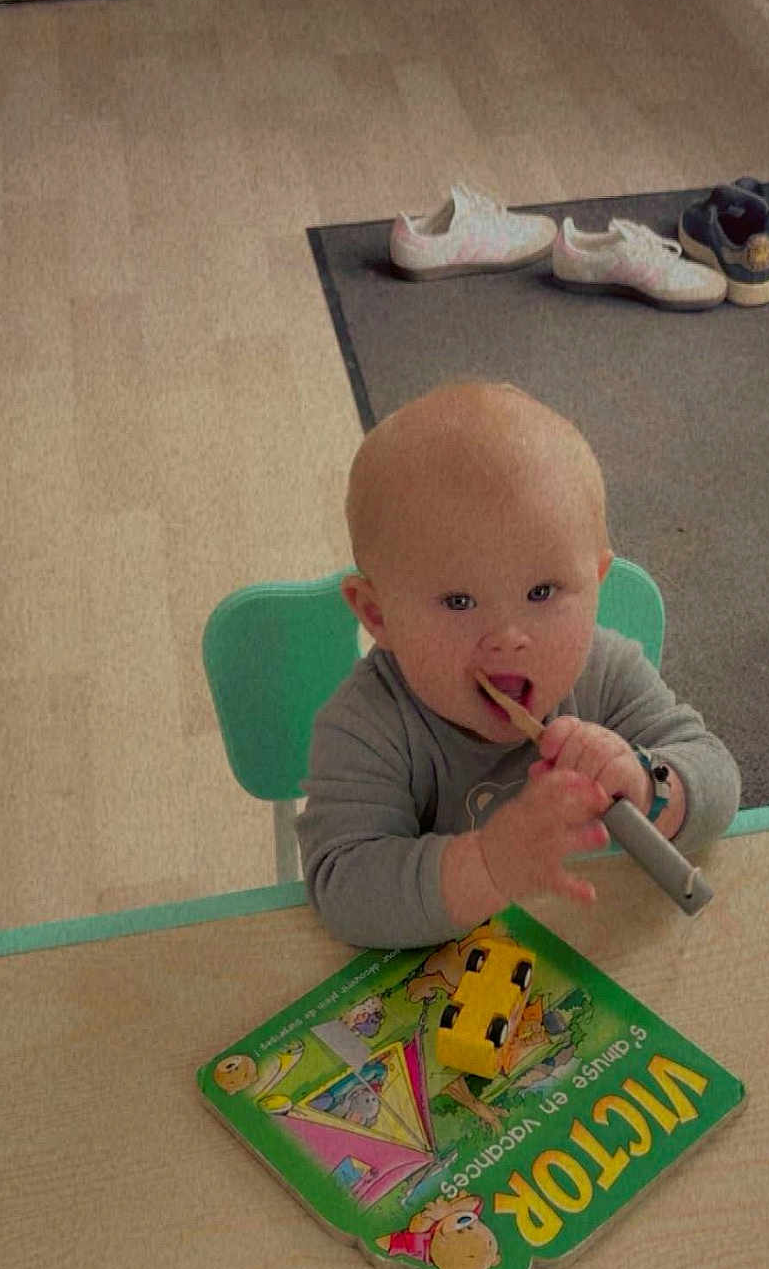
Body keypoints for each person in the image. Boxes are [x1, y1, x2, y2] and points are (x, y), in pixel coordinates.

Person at [298, 380, 740, 947]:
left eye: (541, 593)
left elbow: (718, 776)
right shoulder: (366, 726)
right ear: (377, 615)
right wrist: (487, 866)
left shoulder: (603, 672)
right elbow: (342, 890)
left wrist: (647, 784)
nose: (508, 639)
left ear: (596, 584)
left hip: (590, 951)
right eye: (458, 602)